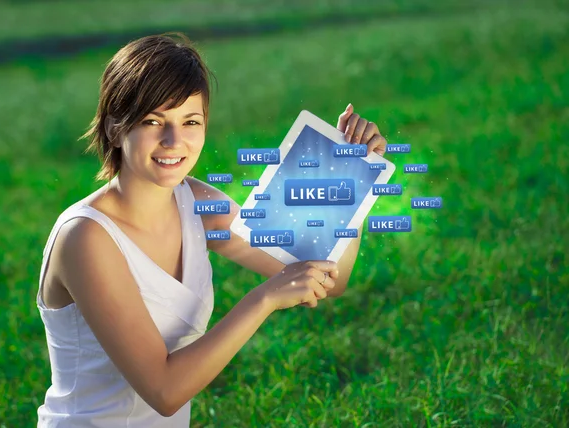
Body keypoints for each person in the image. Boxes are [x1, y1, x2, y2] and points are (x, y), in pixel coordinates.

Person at [36, 32, 387, 427]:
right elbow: (164, 390)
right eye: (153, 121)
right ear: (115, 128)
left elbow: (324, 275)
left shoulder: (198, 203)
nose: (174, 141)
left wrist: (352, 174)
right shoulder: (85, 238)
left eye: (190, 121)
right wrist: (263, 299)